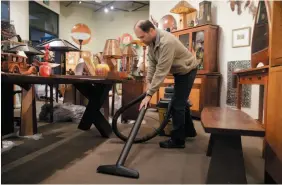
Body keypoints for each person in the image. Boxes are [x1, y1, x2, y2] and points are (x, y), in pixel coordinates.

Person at [133, 20, 199, 149]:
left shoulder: (166, 42)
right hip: (179, 71)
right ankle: (189, 131)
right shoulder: (151, 42)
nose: (141, 40)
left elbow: (161, 70)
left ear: (151, 31)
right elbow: (152, 65)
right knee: (181, 101)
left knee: (176, 105)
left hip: (187, 70)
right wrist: (148, 83)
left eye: (142, 37)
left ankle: (178, 141)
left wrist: (149, 94)